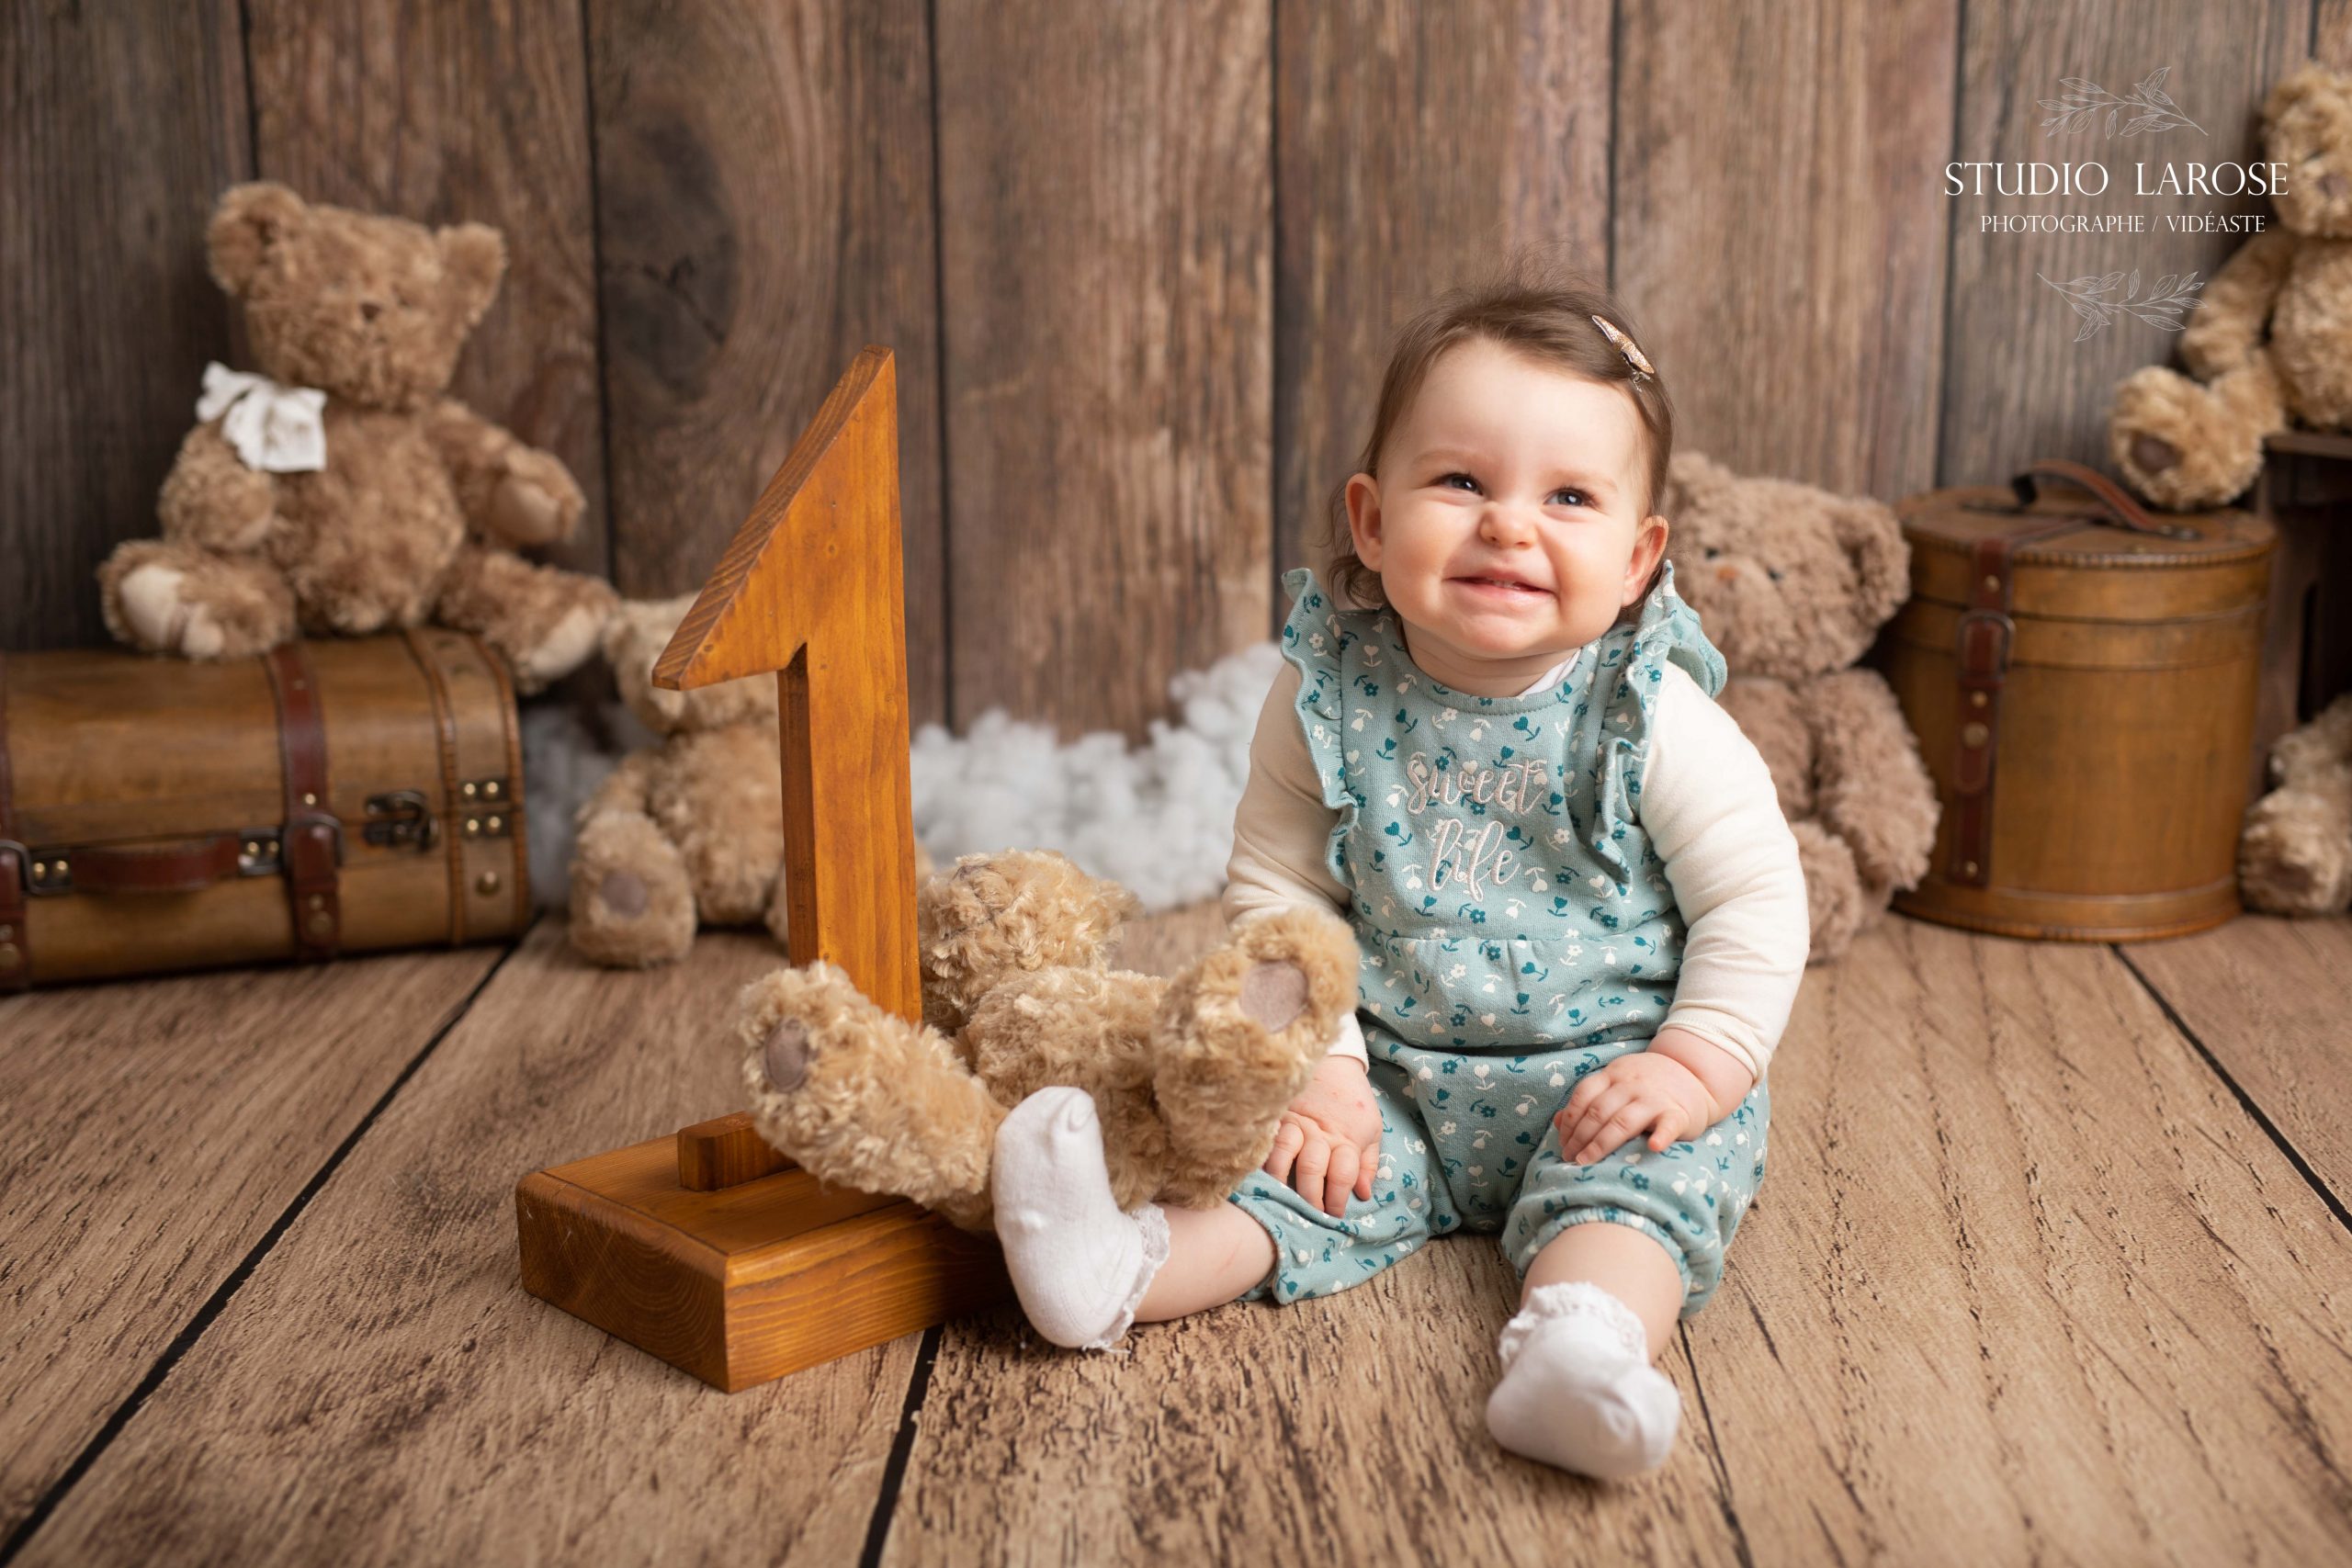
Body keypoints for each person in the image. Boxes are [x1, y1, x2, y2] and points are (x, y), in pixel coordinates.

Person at [985, 265, 1809, 1482]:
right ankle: (1117, 1269)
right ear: (1371, 522)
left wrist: (1693, 1066)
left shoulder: (1651, 714)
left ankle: (1580, 1350)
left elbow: (1755, 896)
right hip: (1392, 1079)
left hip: (1609, 1075)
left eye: (1569, 496)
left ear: (1639, 558)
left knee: (1640, 1194)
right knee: (1283, 1174)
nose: (1510, 525)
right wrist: (1323, 1070)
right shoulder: (1326, 695)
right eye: (1462, 481)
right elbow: (1280, 893)